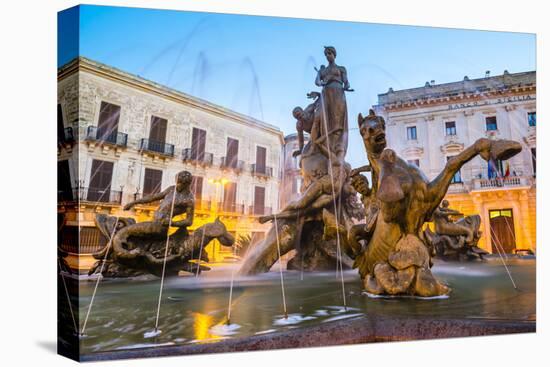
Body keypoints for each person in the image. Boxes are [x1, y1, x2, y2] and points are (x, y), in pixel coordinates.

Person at [112, 170, 195, 261]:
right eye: (177, 182)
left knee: (123, 232)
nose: (177, 185)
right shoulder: (172, 189)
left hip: (159, 227)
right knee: (128, 234)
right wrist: (134, 202)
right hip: (154, 223)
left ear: (187, 184)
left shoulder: (189, 199)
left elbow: (189, 221)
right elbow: (153, 197)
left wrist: (172, 223)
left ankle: (125, 254)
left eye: (180, 183)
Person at [315, 46, 352, 164]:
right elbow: (317, 82)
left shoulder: (341, 68)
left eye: (330, 53)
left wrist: (346, 86)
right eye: (326, 54)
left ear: (334, 55)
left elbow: (346, 82)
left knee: (338, 120)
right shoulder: (322, 71)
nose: (328, 55)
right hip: (326, 93)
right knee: (325, 120)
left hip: (338, 92)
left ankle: (338, 148)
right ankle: (328, 147)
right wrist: (321, 80)